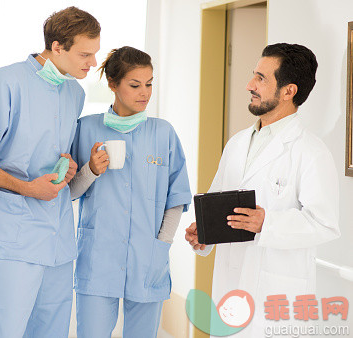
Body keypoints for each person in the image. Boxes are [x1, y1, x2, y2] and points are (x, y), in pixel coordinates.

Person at [0, 7, 100, 338]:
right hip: (13, 237)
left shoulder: (75, 93)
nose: (92, 63)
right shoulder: (5, 82)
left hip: (58, 237)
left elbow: (52, 156)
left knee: (53, 331)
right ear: (58, 47)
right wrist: (27, 188)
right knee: (9, 331)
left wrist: (69, 167)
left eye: (95, 54)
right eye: (85, 54)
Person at [185, 43, 340, 335]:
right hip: (231, 292)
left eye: (261, 78)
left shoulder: (311, 152)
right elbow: (220, 207)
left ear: (288, 91)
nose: (249, 85)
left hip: (277, 297)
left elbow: (325, 224)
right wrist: (204, 234)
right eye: (254, 75)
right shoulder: (237, 144)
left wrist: (267, 222)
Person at [69, 46, 192, 338]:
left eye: (149, 84)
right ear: (113, 84)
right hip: (98, 258)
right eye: (135, 85)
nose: (145, 93)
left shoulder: (163, 133)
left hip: (148, 258)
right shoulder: (85, 128)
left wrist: (162, 242)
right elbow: (69, 192)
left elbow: (176, 198)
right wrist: (91, 171)